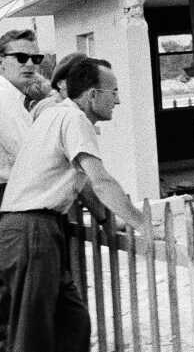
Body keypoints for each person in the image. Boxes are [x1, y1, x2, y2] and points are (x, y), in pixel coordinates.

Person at [0, 57, 143, 352]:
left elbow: (85, 185)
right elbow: (100, 180)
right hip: (32, 229)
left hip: (34, 229)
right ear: (92, 95)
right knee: (32, 334)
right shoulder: (74, 119)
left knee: (73, 323)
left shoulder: (57, 114)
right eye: (113, 92)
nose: (117, 100)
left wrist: (107, 221)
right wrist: (143, 223)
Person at [0, 30, 42, 206]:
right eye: (21, 58)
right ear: (1, 62)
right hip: (8, 195)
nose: (30, 64)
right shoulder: (5, 97)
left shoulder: (14, 97)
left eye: (36, 58)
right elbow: (30, 155)